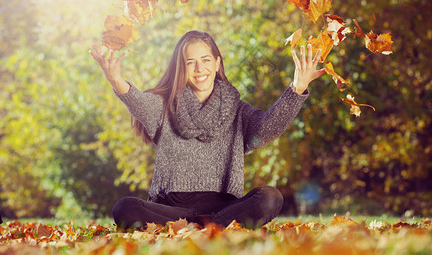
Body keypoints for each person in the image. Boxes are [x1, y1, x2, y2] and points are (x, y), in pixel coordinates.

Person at [89, 30, 325, 229]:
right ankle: (210, 229)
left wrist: (298, 87)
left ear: (217, 63)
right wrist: (115, 80)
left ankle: (205, 226)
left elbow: (266, 128)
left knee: (270, 197)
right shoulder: (165, 105)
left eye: (205, 60)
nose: (199, 68)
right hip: (171, 211)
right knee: (125, 208)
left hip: (224, 208)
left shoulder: (237, 109)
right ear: (181, 67)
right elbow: (139, 102)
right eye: (190, 62)